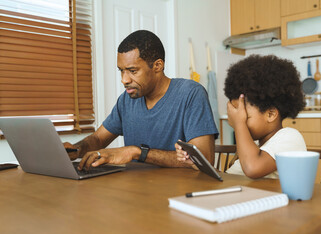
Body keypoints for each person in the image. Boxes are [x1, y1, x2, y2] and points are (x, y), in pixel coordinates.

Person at [64, 30, 218, 170]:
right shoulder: (126, 100)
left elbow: (204, 159)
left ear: (157, 66)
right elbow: (98, 138)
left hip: (179, 193)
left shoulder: (191, 94)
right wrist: (75, 150)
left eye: (132, 71)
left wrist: (137, 152)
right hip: (136, 190)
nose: (124, 80)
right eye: (121, 71)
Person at [224, 54, 306, 179]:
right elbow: (231, 178)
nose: (238, 123)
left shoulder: (290, 138)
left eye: (244, 117)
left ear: (271, 114)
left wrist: (239, 123)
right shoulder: (254, 145)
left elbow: (252, 169)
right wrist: (200, 165)